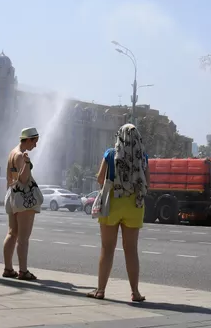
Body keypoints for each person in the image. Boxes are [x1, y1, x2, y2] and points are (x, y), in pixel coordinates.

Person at [88, 123, 149, 301]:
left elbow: (100, 179)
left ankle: (100, 290)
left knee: (107, 249)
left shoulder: (110, 154)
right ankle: (135, 292)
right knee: (131, 250)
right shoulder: (143, 157)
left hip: (112, 203)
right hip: (134, 206)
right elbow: (148, 183)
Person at [2, 127, 41, 281]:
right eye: (35, 141)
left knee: (12, 233)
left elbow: (9, 177)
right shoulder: (20, 155)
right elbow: (24, 179)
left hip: (12, 195)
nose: (35, 146)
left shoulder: (12, 152)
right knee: (23, 237)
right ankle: (23, 271)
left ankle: (8, 268)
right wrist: (26, 163)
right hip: (24, 199)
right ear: (29, 139)